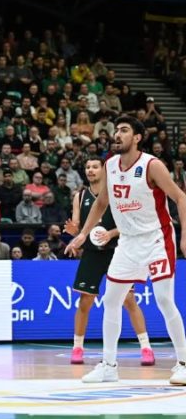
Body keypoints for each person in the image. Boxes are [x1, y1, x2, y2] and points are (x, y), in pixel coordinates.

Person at [66, 117, 186, 384]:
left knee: (165, 300)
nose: (117, 135)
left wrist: (185, 235)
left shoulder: (151, 166)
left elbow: (180, 197)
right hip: (128, 242)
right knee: (110, 300)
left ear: (137, 138)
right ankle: (109, 366)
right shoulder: (110, 165)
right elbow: (101, 204)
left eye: (124, 131)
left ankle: (184, 363)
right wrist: (83, 233)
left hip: (157, 238)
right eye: (116, 131)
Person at [64, 155, 155, 366]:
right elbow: (78, 226)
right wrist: (73, 231)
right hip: (92, 253)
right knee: (85, 301)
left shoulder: (116, 193)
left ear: (104, 170)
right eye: (87, 167)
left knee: (129, 300)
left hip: (118, 251)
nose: (90, 170)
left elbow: (129, 223)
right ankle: (77, 348)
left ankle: (146, 348)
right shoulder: (80, 196)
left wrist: (111, 234)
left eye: (95, 166)